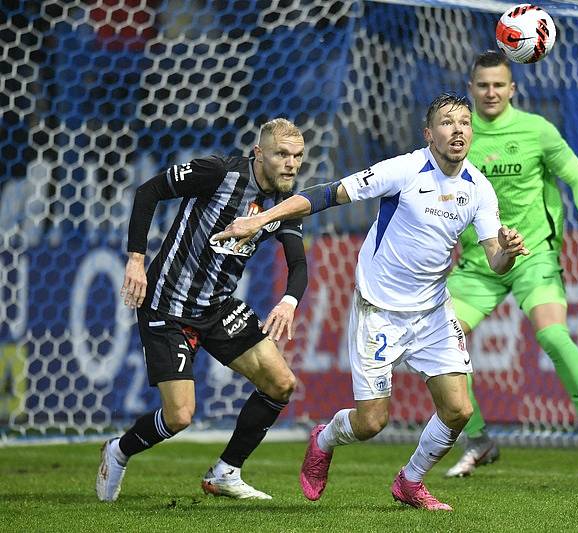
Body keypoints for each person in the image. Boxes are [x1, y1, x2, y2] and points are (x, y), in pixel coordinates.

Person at [212, 93, 529, 511]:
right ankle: (324, 438)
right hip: (378, 310)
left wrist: (507, 249)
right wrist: (259, 219)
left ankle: (410, 482)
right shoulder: (404, 170)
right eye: (448, 123)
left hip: (433, 311)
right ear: (428, 133)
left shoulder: (479, 189)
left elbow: (496, 260)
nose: (458, 131)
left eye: (465, 123)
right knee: (371, 423)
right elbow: (327, 194)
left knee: (457, 410)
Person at [95, 118, 308, 502]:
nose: (291, 164)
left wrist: (289, 301)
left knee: (281, 383)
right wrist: (136, 260)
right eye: (281, 154)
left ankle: (226, 472)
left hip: (218, 306)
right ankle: (119, 450)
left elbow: (299, 265)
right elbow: (148, 191)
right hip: (168, 303)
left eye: (297, 156)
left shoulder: (286, 204)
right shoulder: (218, 172)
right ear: (259, 153)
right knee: (179, 416)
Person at [444, 51, 578, 479]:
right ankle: (479, 440)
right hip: (481, 261)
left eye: (498, 85)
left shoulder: (536, 130)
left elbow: (577, 175)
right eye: (482, 85)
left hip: (532, 254)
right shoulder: (455, 136)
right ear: (470, 90)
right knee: (441, 345)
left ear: (512, 89)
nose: (490, 92)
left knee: (554, 336)